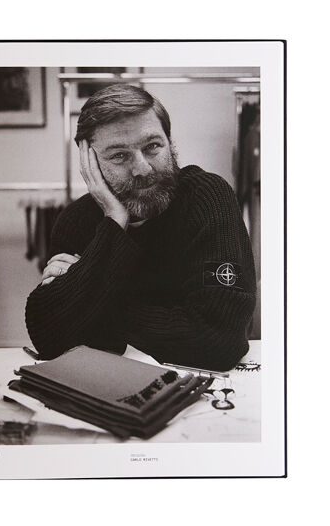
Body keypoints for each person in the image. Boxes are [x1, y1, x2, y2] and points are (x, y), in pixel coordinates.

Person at [24, 84, 256, 371]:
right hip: (108, 392)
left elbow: (219, 341)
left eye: (153, 147)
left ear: (169, 142)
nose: (143, 168)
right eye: (119, 155)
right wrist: (114, 222)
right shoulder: (76, 221)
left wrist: (93, 296)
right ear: (90, 163)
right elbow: (50, 337)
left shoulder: (208, 198)